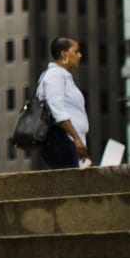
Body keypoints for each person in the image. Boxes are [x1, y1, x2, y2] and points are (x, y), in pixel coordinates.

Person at [37, 36, 90, 170]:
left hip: (70, 142)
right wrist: (76, 139)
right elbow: (58, 110)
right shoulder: (55, 75)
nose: (80, 55)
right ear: (64, 54)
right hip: (63, 141)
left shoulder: (62, 75)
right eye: (76, 51)